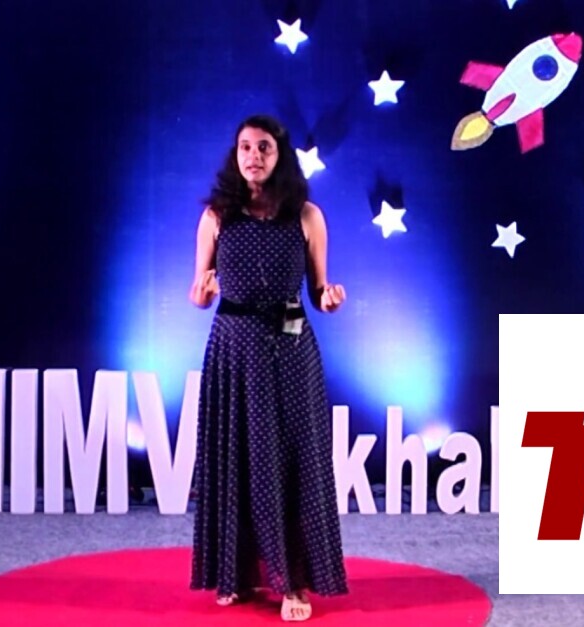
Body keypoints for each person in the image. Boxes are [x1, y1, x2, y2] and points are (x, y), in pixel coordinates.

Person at [188, 114, 348, 622]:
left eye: (264, 148)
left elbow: (319, 291)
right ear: (235, 154)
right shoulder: (217, 216)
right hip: (234, 351)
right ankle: (235, 575)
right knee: (237, 459)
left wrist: (330, 298)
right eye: (245, 147)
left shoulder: (306, 215)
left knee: (292, 463)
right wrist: (203, 293)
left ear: (280, 157)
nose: (253, 156)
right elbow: (198, 293)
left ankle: (293, 581)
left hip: (291, 351)